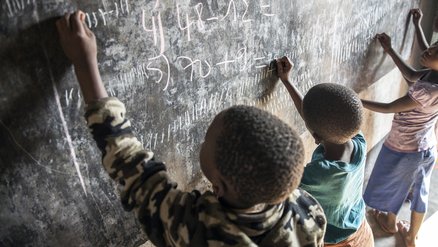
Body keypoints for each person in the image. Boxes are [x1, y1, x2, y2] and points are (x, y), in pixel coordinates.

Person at [56, 11, 327, 247]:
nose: (203, 139)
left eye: (206, 139)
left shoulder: (201, 234)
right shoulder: (310, 212)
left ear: (218, 187)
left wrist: (85, 64)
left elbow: (131, 166)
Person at [276, 57, 374, 246]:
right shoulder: (357, 138)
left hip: (334, 242)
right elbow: (316, 118)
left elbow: (282, 186)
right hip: (361, 230)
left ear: (315, 137)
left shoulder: (320, 173)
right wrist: (287, 82)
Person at [361, 29, 438, 247]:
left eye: (435, 51)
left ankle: (389, 222)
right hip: (426, 146)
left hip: (404, 147)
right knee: (418, 191)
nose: (428, 49)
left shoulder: (428, 91)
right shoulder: (432, 77)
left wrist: (358, 101)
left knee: (389, 183)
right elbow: (412, 74)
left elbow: (389, 108)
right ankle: (411, 236)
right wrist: (390, 50)